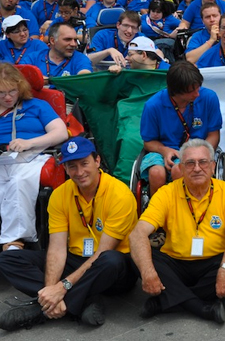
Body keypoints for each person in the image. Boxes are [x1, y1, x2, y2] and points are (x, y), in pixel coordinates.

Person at [0, 137, 137, 330]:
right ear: (65, 169)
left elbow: (102, 253)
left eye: (84, 164)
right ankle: (79, 301)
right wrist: (51, 289)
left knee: (110, 260)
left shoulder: (120, 195)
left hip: (112, 268)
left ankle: (41, 311)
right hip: (75, 258)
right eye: (72, 166)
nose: (79, 172)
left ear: (97, 162)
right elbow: (56, 248)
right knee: (8, 259)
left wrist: (62, 287)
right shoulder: (59, 194)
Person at [129, 139, 225, 325]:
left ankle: (166, 301)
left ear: (213, 165)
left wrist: (224, 270)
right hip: (175, 262)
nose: (197, 168)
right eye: (190, 163)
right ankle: (201, 307)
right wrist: (148, 271)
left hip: (212, 261)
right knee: (137, 259)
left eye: (203, 162)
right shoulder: (166, 192)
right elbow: (138, 233)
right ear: (181, 168)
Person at [0, 62, 68, 251]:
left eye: (12, 91)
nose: (7, 97)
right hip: (2, 156)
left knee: (18, 181)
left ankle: (15, 241)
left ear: (20, 87)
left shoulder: (38, 105)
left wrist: (29, 143)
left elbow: (61, 133)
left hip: (33, 154)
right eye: (1, 93)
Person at [139, 61, 222, 197]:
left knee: (180, 170)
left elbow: (214, 135)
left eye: (198, 88)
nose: (197, 94)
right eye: (191, 91)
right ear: (175, 92)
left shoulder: (209, 97)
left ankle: (186, 209)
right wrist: (164, 150)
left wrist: (201, 154)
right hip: (164, 150)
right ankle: (158, 210)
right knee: (156, 173)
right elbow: (148, 142)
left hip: (200, 147)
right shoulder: (153, 106)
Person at [22, 22, 93, 79]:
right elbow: (19, 77)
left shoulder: (80, 58)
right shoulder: (34, 58)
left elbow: (84, 77)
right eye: (67, 39)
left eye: (75, 40)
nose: (73, 44)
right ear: (52, 41)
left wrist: (46, 81)